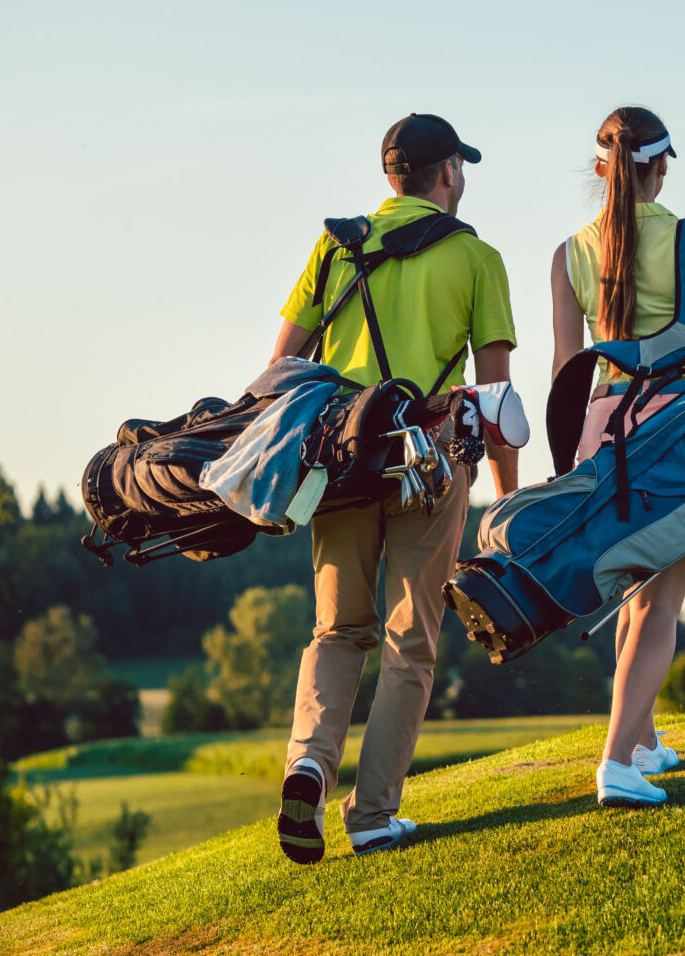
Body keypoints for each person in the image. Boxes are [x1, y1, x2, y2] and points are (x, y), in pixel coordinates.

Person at [267, 113, 520, 860]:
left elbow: (282, 368)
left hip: (340, 459)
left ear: (389, 178)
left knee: (338, 629)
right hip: (430, 459)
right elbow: (495, 400)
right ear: (446, 174)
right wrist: (504, 502)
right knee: (410, 641)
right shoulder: (477, 257)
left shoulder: (334, 246)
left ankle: (309, 762)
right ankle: (373, 814)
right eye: (460, 168)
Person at [555, 105, 685, 807]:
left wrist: (571, 463)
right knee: (661, 605)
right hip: (680, 430)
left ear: (603, 170)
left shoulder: (568, 251)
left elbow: (567, 368)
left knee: (631, 596)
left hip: (603, 428)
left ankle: (641, 742)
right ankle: (616, 766)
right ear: (659, 166)